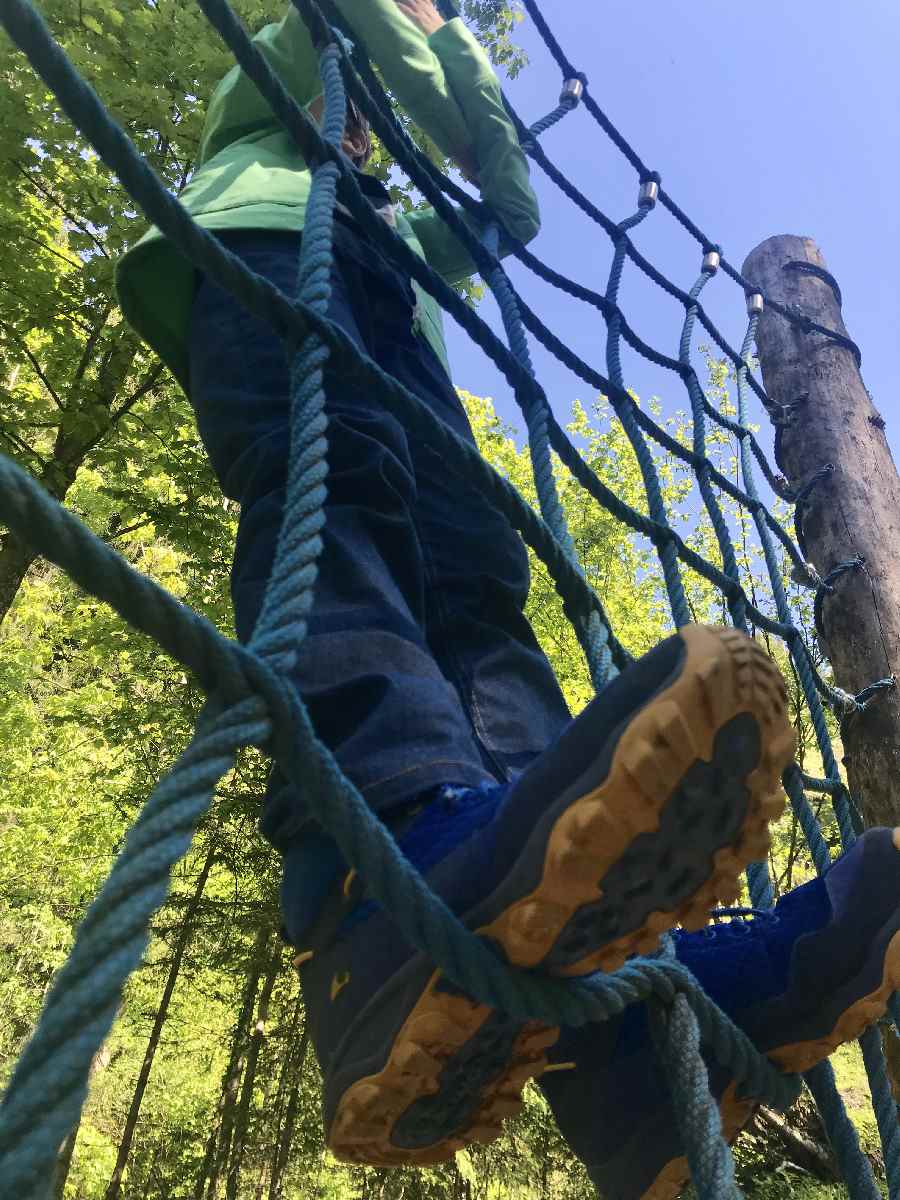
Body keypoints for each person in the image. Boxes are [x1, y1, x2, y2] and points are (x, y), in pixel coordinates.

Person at [115, 0, 900, 1190]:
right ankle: (377, 893)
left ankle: (628, 1038)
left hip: (390, 314)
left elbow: (510, 213)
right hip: (270, 251)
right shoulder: (280, 97)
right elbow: (365, 27)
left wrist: (464, 97)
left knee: (483, 579)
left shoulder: (395, 219)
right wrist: (442, 39)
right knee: (339, 501)